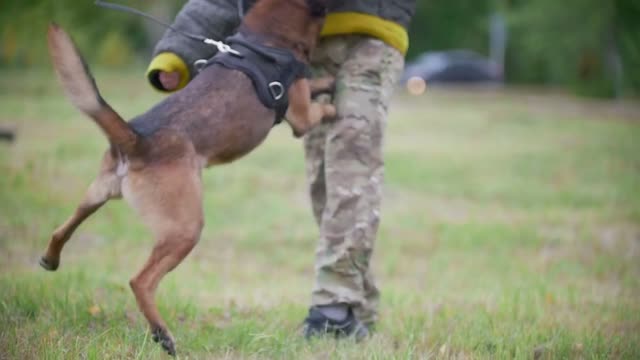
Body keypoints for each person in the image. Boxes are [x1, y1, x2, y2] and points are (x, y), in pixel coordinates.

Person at [146, 0, 416, 340]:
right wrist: (178, 50)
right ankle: (358, 303)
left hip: (373, 36)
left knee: (352, 160)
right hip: (306, 43)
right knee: (323, 179)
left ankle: (333, 311)